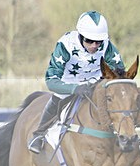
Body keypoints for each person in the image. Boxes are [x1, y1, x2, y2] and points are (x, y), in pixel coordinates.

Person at [27, 10, 126, 154]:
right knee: (58, 98)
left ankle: (125, 135)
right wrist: (74, 89)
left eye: (98, 42)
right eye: (89, 41)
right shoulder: (65, 44)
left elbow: (120, 72)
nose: (94, 45)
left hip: (96, 83)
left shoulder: (107, 46)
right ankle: (39, 135)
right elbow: (50, 81)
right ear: (79, 35)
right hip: (69, 83)